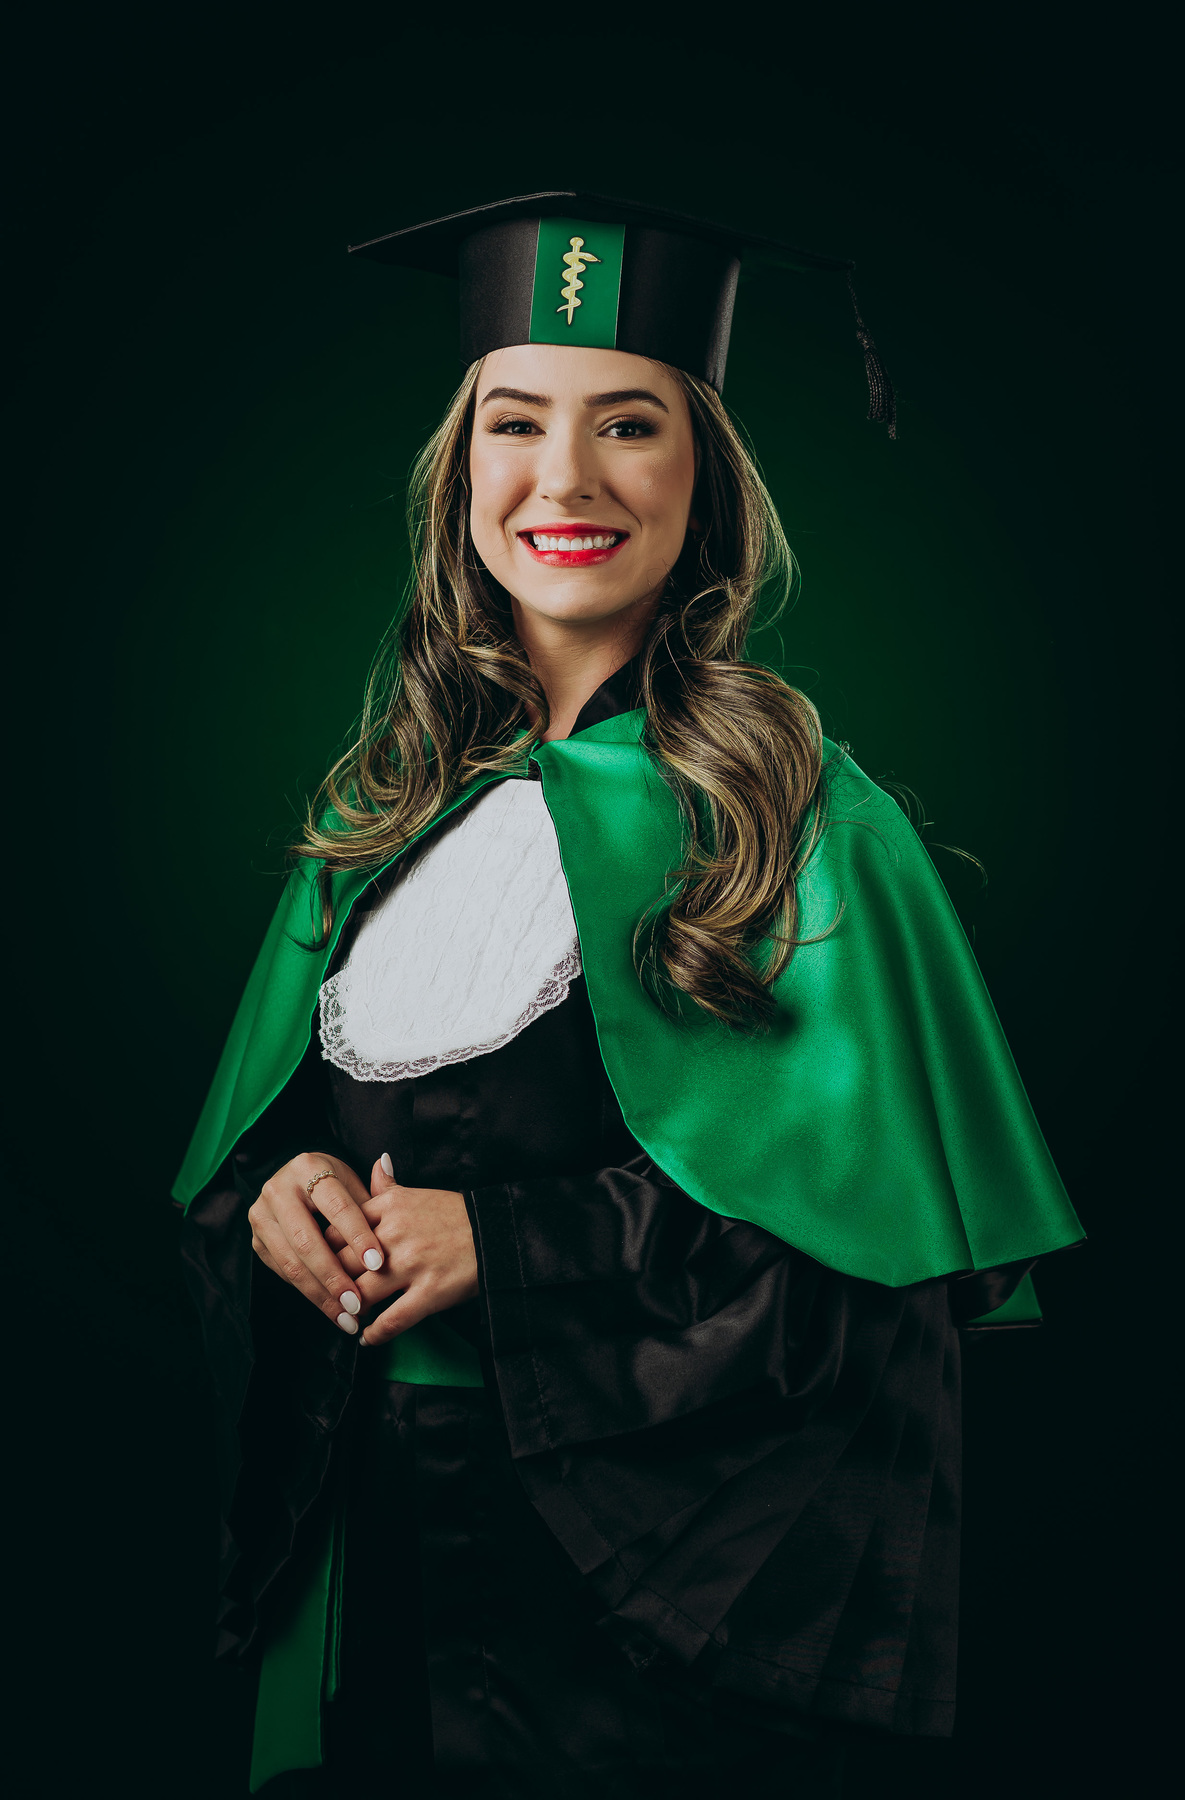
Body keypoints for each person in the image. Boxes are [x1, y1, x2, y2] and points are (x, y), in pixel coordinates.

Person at [175, 192, 1083, 1799]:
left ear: (705, 479)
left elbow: (872, 1302)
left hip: (642, 1633)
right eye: (516, 422)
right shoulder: (381, 819)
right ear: (461, 472)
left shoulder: (801, 823)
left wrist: (513, 1250)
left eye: (631, 424)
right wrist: (278, 1196)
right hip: (375, 1579)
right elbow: (261, 1148)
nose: (567, 480)